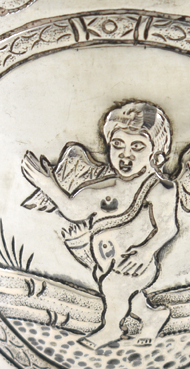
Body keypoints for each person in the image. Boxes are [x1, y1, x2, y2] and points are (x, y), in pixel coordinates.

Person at [21, 102, 179, 349]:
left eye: (138, 146)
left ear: (156, 154)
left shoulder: (159, 189)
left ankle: (111, 329)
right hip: (107, 262)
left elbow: (168, 228)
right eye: (118, 144)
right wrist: (47, 184)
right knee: (127, 295)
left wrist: (146, 252)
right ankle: (153, 317)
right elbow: (74, 210)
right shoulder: (108, 186)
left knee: (115, 287)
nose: (126, 154)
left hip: (136, 261)